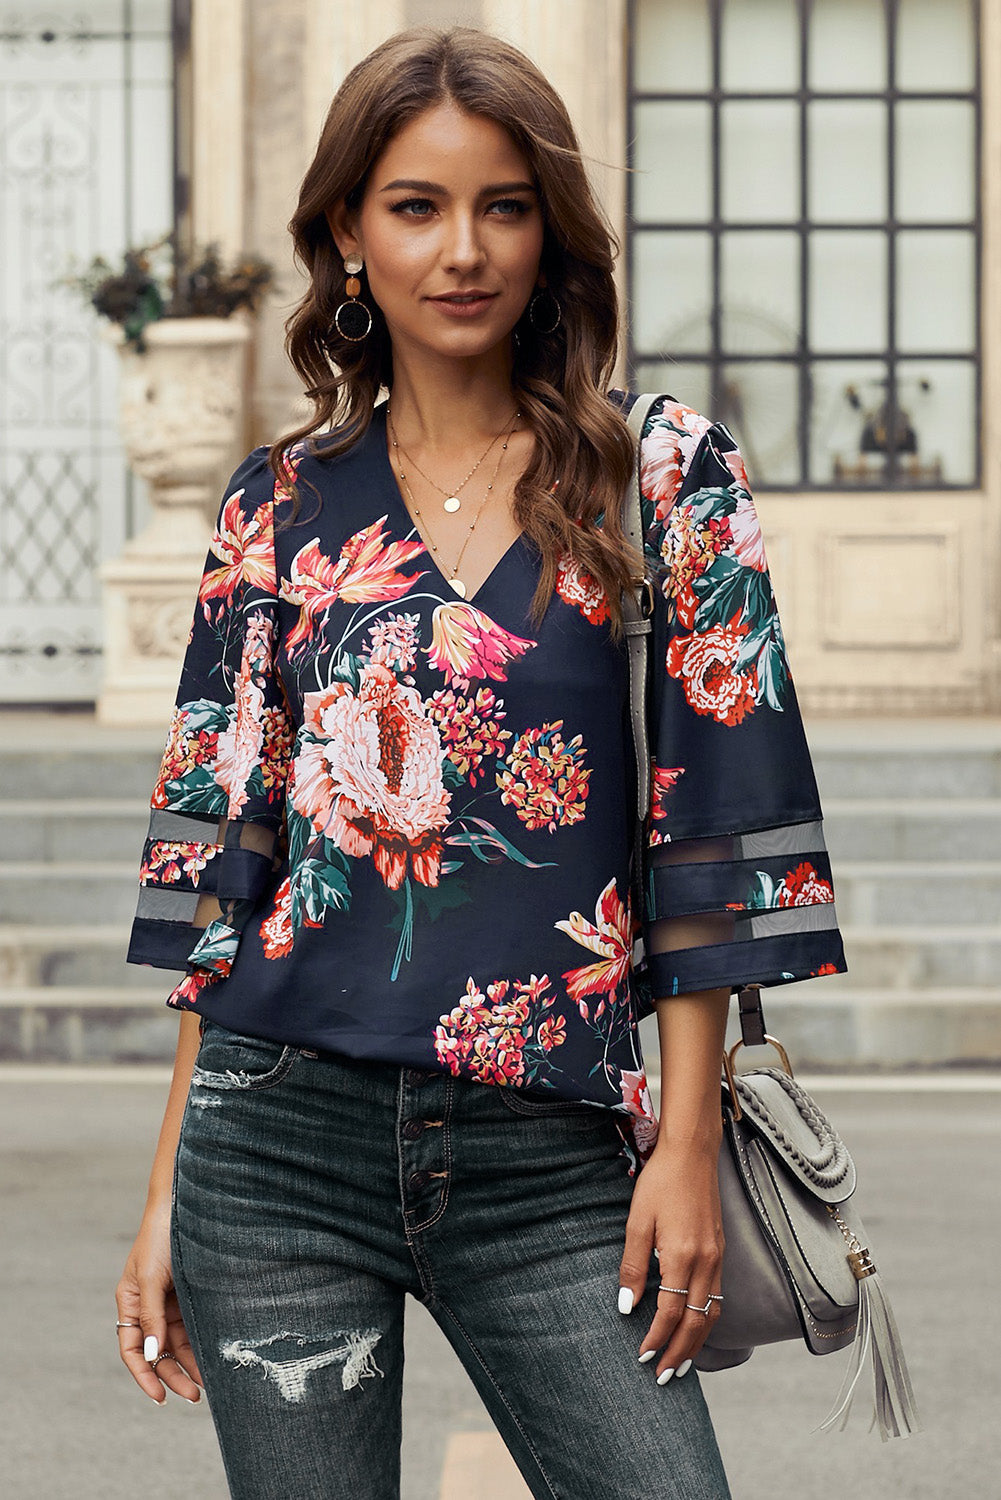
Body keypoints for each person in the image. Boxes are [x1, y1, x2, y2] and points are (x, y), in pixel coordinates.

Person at [115, 25, 846, 1500]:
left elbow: (716, 818)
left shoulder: (663, 477)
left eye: (504, 206)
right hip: (275, 1147)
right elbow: (224, 862)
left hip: (554, 1159)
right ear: (347, 233)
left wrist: (682, 1143)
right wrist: (164, 1195)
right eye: (416, 206)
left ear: (549, 230)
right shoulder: (276, 504)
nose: (463, 250)